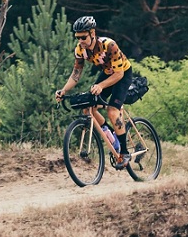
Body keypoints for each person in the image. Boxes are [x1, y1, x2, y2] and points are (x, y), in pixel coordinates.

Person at [55, 16, 133, 169]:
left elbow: (118, 75)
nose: (80, 41)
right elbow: (75, 75)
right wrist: (63, 91)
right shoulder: (80, 50)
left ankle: (124, 152)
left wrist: (101, 86)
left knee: (112, 111)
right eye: (77, 37)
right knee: (88, 108)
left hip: (122, 73)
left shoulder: (109, 45)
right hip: (107, 72)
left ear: (92, 33)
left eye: (83, 37)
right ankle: (112, 135)